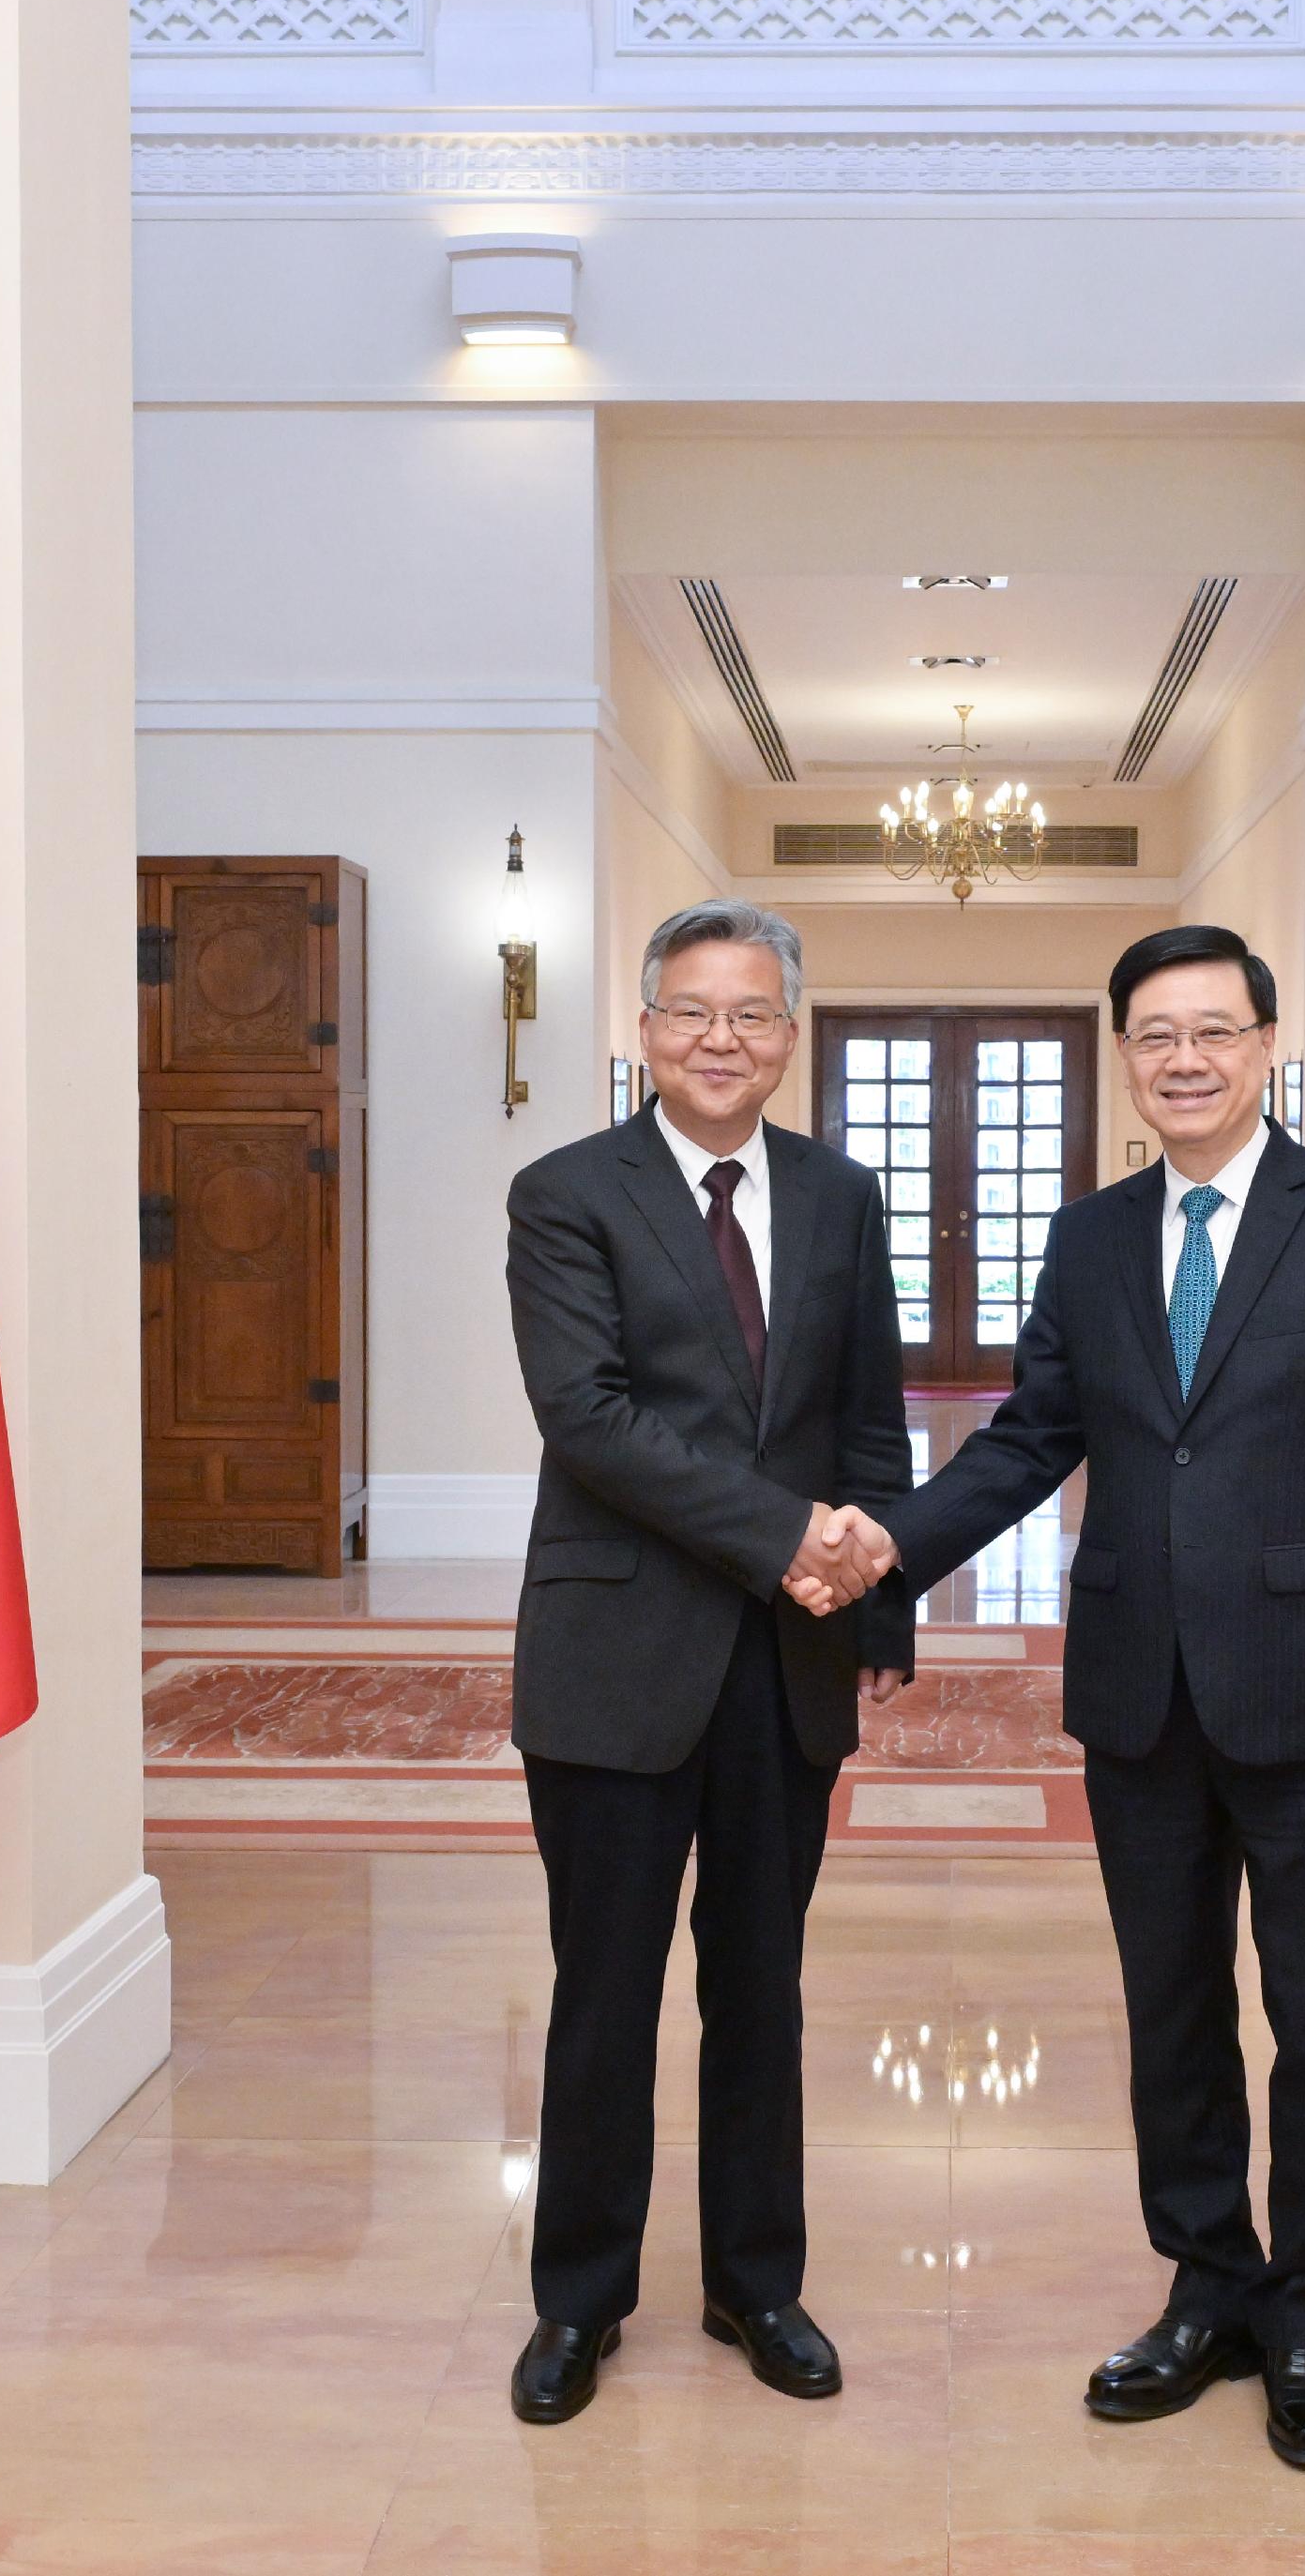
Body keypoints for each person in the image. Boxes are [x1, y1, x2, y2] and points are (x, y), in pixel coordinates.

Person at [845, 922, 1305, 2471]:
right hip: (1138, 1694)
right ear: (1127, 1059)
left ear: (1265, 1044)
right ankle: (1205, 2283)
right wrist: (884, 1553)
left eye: (1214, 1031)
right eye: (1154, 1036)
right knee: (1170, 2009)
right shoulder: (1095, 1236)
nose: (1185, 1059)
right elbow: (1024, 1440)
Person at [498, 898, 914, 2425]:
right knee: (603, 1989)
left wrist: (879, 1602)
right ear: (644, 1027)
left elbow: (871, 1417)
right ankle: (579, 2302)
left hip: (790, 1660)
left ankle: (758, 2280)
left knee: (763, 1985)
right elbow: (590, 1420)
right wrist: (786, 1529)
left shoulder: (842, 1193)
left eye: (751, 1013)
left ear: (789, 1033)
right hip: (616, 1649)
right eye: (691, 1010)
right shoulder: (564, 1194)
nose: (720, 1038)